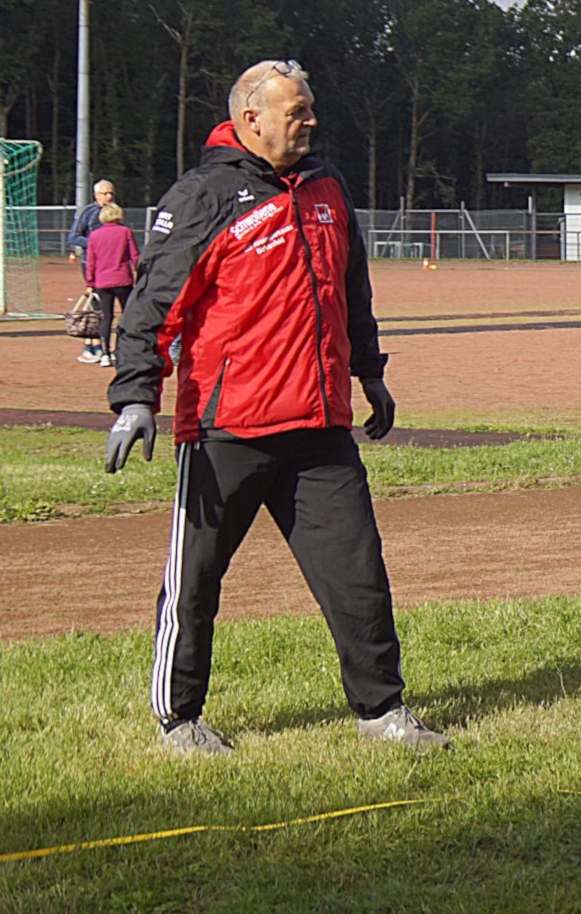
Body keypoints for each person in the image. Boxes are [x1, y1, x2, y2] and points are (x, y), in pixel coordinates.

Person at [104, 60, 445, 757]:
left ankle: (381, 711)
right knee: (194, 582)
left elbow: (353, 293)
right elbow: (151, 308)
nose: (310, 120)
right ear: (251, 118)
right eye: (297, 111)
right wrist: (136, 397)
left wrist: (369, 373)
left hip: (319, 429)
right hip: (226, 430)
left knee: (359, 576)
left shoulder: (327, 187)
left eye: (311, 108)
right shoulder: (205, 195)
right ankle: (180, 720)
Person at [82, 201, 139, 368]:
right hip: (123, 280)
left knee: (106, 317)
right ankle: (121, 351)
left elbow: (91, 262)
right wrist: (140, 272)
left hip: (102, 281)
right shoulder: (125, 232)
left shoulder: (95, 236)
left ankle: (105, 353)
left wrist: (89, 283)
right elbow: (134, 255)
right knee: (126, 316)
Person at [68, 179, 115, 364]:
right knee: (96, 305)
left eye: (111, 193)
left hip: (112, 267)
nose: (109, 197)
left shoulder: (115, 212)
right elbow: (73, 236)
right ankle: (91, 347)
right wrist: (96, 245)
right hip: (92, 264)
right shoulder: (88, 213)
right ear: (96, 195)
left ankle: (99, 347)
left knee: (106, 307)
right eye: (105, 193)